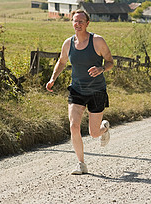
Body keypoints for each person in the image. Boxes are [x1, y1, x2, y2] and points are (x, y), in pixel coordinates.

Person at [46, 9, 114, 175]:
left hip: (97, 91)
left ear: (87, 23)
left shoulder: (97, 41)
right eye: (75, 21)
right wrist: (52, 78)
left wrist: (102, 68)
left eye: (81, 21)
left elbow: (110, 61)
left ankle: (104, 128)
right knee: (74, 126)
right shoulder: (68, 43)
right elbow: (61, 62)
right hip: (76, 89)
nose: (77, 24)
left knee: (94, 132)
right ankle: (81, 164)